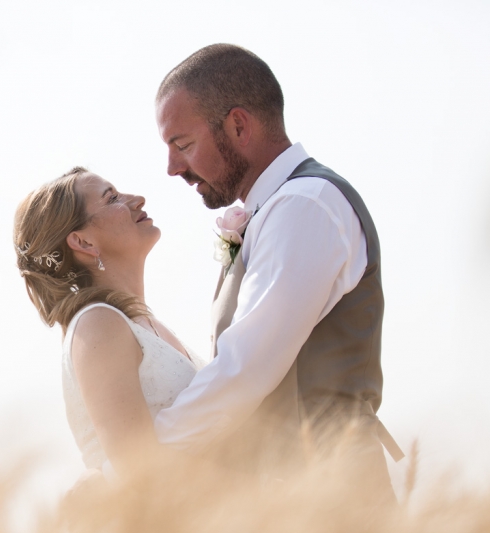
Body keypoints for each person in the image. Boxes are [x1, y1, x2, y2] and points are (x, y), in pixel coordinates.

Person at [153, 44, 401, 500]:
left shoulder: (303, 205)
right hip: (291, 502)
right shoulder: (278, 208)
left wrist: (140, 460)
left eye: (182, 145)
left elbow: (245, 367)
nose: (172, 168)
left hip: (330, 497)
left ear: (239, 126)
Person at [13, 168, 201, 478]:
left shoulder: (145, 324)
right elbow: (140, 470)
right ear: (83, 241)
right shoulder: (97, 325)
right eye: (112, 198)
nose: (137, 200)